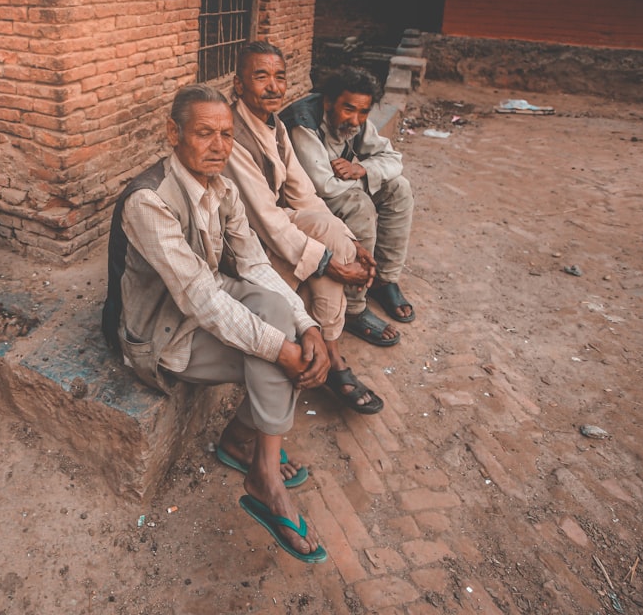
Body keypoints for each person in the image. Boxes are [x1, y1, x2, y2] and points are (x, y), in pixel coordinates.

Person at [102, 84, 330, 562]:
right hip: (162, 333)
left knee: (279, 319)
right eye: (204, 133)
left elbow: (255, 266)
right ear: (173, 133)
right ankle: (262, 473)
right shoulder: (149, 200)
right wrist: (284, 347)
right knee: (274, 349)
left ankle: (245, 446)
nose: (219, 146)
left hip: (206, 304)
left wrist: (309, 327)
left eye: (226, 134)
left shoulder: (221, 187)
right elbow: (199, 299)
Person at [224, 41, 386, 415]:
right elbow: (268, 222)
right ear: (238, 84)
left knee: (331, 231)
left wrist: (351, 242)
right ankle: (333, 356)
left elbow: (305, 195)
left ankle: (330, 352)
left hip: (277, 228)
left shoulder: (275, 126)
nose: (273, 87)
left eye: (279, 77)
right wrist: (330, 263)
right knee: (329, 255)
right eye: (261, 76)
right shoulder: (232, 134)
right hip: (246, 246)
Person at [289, 66, 416, 338]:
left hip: (341, 188)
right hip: (308, 202)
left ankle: (384, 279)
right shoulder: (304, 124)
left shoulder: (357, 121)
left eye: (363, 112)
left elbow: (394, 159)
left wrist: (363, 169)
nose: (356, 120)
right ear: (328, 102)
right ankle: (354, 308)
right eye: (348, 109)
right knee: (359, 205)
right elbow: (324, 185)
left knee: (399, 188)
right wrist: (362, 179)